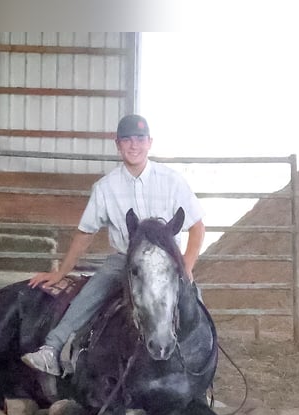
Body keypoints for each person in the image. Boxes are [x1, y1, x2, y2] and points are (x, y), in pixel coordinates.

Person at [21, 114, 206, 393]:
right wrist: (61, 271)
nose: (134, 145)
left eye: (140, 139)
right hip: (124, 260)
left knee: (196, 306)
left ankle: (202, 376)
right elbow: (85, 233)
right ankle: (53, 347)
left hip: (166, 263)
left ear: (150, 143)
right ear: (117, 144)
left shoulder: (172, 181)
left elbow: (197, 227)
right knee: (92, 293)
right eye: (128, 140)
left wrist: (187, 265)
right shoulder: (106, 188)